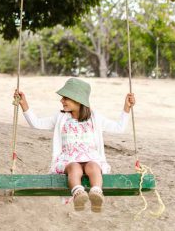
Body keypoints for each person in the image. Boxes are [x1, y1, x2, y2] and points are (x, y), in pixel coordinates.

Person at [15, 78, 135, 212]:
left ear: (78, 100)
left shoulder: (95, 118)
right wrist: (23, 104)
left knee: (94, 167)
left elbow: (119, 127)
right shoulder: (61, 118)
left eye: (65, 98)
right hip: (69, 159)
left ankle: (96, 193)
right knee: (74, 168)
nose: (61, 101)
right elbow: (36, 123)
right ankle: (78, 193)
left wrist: (126, 108)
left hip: (91, 158)